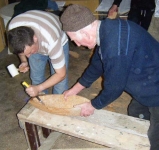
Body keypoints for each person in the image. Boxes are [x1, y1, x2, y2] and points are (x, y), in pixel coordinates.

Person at [60, 4, 159, 150]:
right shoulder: (106, 29)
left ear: (85, 32)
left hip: (155, 88)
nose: (77, 44)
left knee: (156, 137)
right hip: (146, 81)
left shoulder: (114, 45)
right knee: (136, 112)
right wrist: (74, 90)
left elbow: (114, 87)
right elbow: (96, 65)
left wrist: (92, 105)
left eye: (75, 40)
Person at [7, 10, 69, 97]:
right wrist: (24, 61)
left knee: (60, 84)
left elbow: (61, 74)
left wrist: (39, 88)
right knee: (36, 78)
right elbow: (20, 49)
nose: (29, 56)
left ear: (35, 39)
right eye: (26, 54)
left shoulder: (52, 40)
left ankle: (59, 107)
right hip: (38, 40)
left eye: (30, 52)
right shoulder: (13, 30)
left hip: (56, 37)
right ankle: (42, 105)